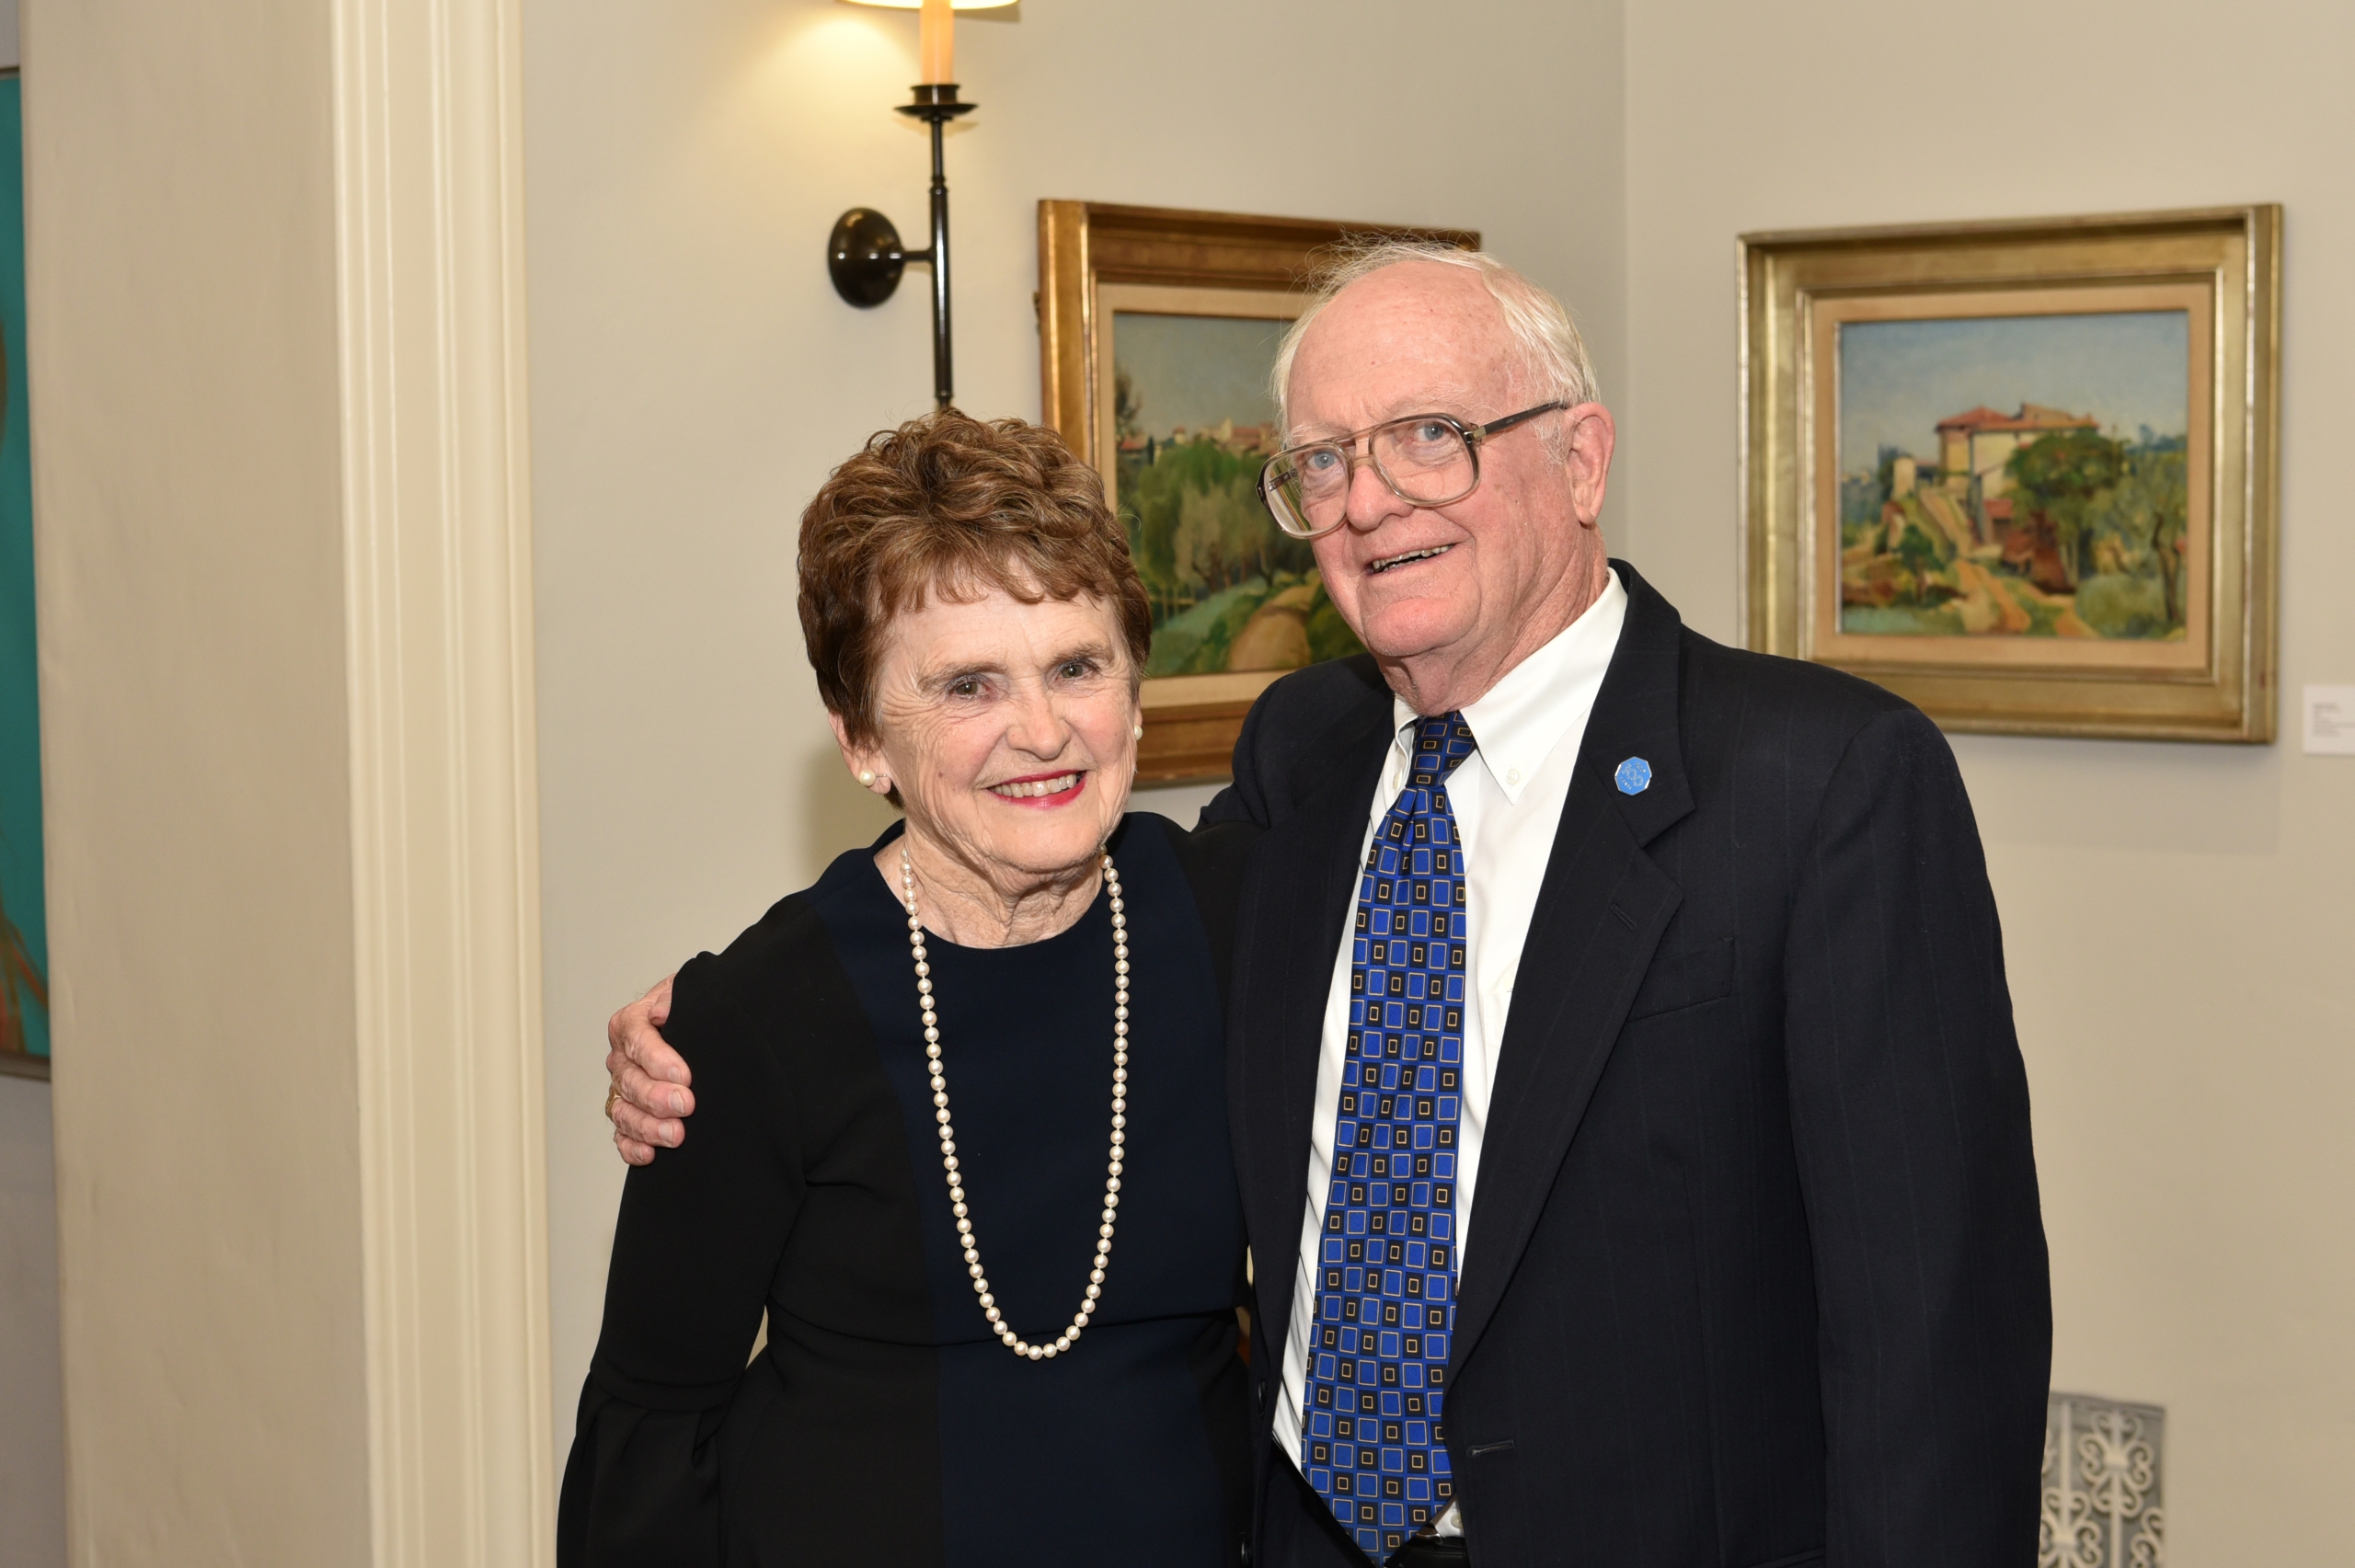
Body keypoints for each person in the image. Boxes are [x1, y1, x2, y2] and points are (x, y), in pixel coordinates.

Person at [609, 245, 2051, 1568]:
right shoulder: (1304, 761)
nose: (1370, 501)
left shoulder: (1824, 783)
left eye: (1432, 436)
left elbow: (1932, 1340)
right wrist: (703, 1032)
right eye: (1324, 459)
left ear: (1583, 454)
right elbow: (989, 920)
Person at [562, 410, 1258, 1567]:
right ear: (861, 740)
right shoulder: (753, 1025)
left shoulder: (1236, 921)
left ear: (1134, 693)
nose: (1041, 731)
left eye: (1076, 666)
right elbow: (652, 1428)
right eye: (968, 686)